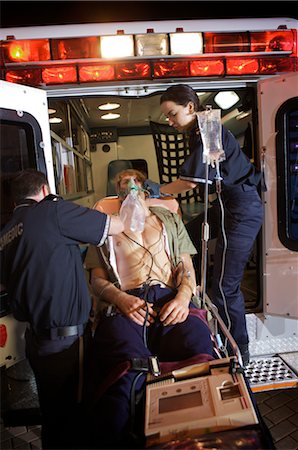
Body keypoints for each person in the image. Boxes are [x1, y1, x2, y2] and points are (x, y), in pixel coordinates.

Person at [84, 169, 214, 449]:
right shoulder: (105, 227)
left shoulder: (168, 220)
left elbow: (186, 268)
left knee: (198, 344)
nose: (128, 186)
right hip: (127, 303)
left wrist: (182, 297)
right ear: (116, 191)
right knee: (124, 366)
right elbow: (96, 280)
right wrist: (120, 299)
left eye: (134, 182)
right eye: (121, 183)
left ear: (146, 189)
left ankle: (202, 433)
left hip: (170, 298)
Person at [0, 169, 124, 449]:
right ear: (45, 190)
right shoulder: (52, 212)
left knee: (54, 416)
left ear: (13, 200)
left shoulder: (6, 232)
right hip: (66, 343)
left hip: (36, 340)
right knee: (77, 419)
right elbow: (115, 226)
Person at [144, 84, 264, 366]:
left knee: (224, 287)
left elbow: (189, 182)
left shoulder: (208, 128)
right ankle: (187, 286)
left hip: (241, 209)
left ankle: (239, 350)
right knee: (185, 237)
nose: (170, 122)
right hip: (227, 206)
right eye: (168, 118)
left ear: (189, 107)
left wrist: (157, 190)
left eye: (173, 115)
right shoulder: (200, 130)